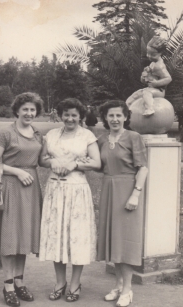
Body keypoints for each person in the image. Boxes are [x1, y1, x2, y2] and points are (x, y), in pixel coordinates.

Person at [39, 98, 101, 302]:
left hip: (77, 191)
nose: (70, 118)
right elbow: (42, 159)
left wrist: (74, 165)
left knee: (76, 236)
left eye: (74, 114)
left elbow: (96, 162)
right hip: (55, 190)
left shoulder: (87, 135)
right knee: (57, 236)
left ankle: (75, 284)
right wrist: (53, 161)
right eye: (66, 114)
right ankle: (60, 283)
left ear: (81, 116)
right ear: (60, 115)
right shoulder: (52, 134)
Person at [0, 92, 44, 307]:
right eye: (25, 109)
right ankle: (8, 285)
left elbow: (42, 160)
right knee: (11, 238)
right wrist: (17, 172)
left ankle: (20, 282)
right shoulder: (6, 133)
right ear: (17, 110)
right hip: (11, 186)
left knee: (24, 238)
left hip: (31, 189)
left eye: (32, 109)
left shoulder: (38, 134)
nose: (29, 113)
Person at [97, 100, 148, 307]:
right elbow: (98, 165)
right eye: (111, 115)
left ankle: (128, 289)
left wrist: (135, 194)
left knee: (125, 243)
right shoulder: (101, 139)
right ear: (105, 118)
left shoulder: (134, 137)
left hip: (128, 190)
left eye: (119, 115)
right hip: (108, 190)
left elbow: (143, 168)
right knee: (113, 241)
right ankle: (118, 285)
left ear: (126, 117)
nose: (115, 119)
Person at [126, 36, 172, 116]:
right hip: (150, 89)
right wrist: (144, 76)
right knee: (137, 94)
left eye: (153, 54)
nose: (149, 56)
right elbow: (144, 82)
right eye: (148, 53)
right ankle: (127, 108)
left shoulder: (159, 66)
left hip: (159, 92)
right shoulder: (152, 64)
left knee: (146, 92)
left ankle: (150, 109)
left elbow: (168, 78)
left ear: (161, 53)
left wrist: (156, 83)